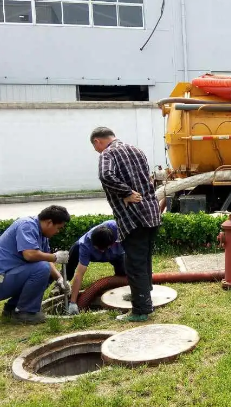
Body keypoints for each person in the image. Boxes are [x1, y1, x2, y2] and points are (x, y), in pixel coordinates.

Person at [90, 126, 161, 322]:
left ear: (97, 141)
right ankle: (144, 294)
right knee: (144, 258)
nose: (97, 151)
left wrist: (126, 193)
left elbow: (105, 176)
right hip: (152, 213)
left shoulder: (108, 153)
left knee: (133, 263)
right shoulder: (137, 150)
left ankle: (141, 310)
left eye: (95, 147)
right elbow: (147, 179)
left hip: (133, 217)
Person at [0, 205, 71, 324]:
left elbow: (47, 261)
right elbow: (29, 254)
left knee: (47, 271)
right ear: (49, 222)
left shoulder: (42, 235)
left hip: (7, 277)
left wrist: (60, 279)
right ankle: (25, 312)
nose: (58, 232)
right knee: (42, 268)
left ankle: (12, 308)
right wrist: (55, 257)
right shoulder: (27, 226)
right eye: (58, 228)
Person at [64, 220, 125, 315]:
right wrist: (73, 302)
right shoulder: (85, 245)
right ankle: (61, 285)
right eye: (98, 249)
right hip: (90, 253)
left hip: (118, 254)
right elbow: (79, 273)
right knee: (73, 254)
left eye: (103, 249)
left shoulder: (120, 228)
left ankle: (118, 285)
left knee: (124, 272)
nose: (101, 251)